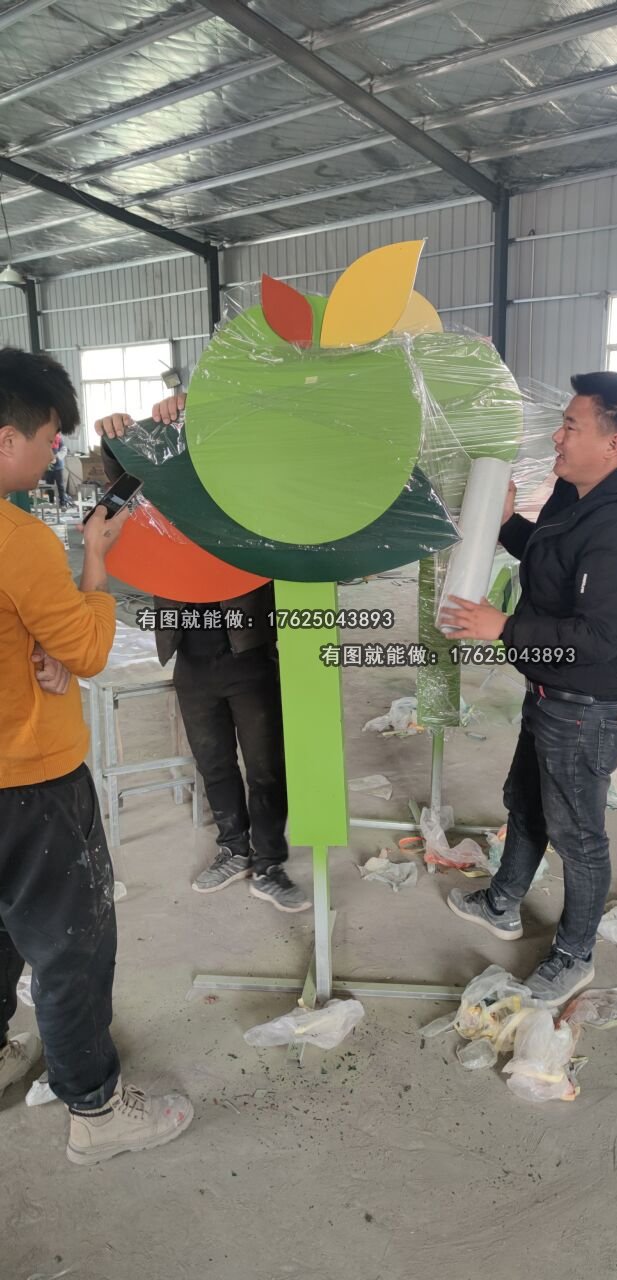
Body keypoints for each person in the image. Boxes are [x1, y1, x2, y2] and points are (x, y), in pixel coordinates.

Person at [0, 347, 193, 1163]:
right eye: (50, 439)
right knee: (70, 946)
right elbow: (84, 649)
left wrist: (27, 649)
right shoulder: (19, 539)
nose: (56, 455)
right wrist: (97, 563)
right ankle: (96, 1110)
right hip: (30, 782)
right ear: (7, 437)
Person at [441, 372, 617, 1006]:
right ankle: (503, 903)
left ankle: (575, 955)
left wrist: (503, 628)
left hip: (587, 704)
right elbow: (549, 559)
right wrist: (505, 523)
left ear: (612, 443)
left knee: (577, 834)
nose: (557, 436)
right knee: (524, 803)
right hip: (551, 688)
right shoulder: (576, 497)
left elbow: (598, 637)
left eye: (571, 426)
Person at [95, 393, 310, 912]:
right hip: (190, 655)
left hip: (249, 651)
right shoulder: (164, 497)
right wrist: (114, 441)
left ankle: (270, 861)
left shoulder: (248, 492)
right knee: (213, 762)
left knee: (265, 766)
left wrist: (204, 409)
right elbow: (122, 494)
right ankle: (233, 849)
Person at [44, 429, 69, 510]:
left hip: (58, 466)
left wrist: (56, 457)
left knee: (60, 485)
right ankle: (51, 503)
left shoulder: (59, 439)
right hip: (48, 467)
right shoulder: (45, 439)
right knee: (49, 485)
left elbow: (64, 450)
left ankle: (62, 503)